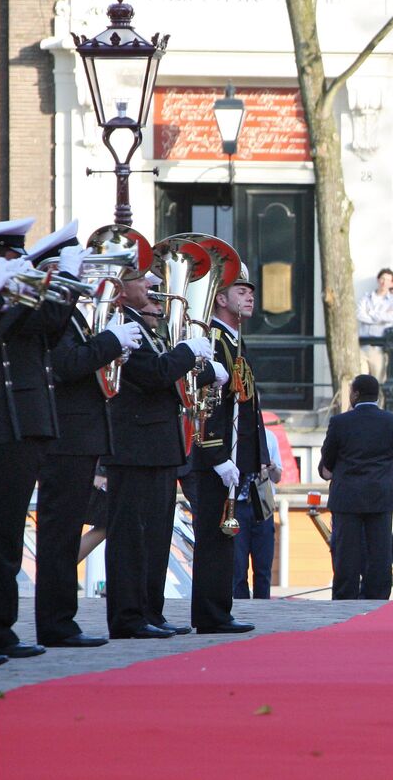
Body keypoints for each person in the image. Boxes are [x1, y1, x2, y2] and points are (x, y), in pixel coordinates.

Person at [37, 225, 146, 649]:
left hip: (81, 437)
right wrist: (109, 342)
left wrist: (111, 345)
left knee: (63, 535)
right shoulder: (58, 317)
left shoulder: (71, 314)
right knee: (59, 534)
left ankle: (61, 621)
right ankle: (56, 623)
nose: (87, 275)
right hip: (66, 437)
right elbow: (68, 366)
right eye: (76, 268)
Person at [104, 262, 218, 639]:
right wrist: (186, 352)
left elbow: (171, 383)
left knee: (154, 537)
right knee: (132, 538)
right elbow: (152, 374)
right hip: (135, 447)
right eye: (143, 281)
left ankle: (150, 611)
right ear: (122, 289)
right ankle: (128, 616)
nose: (154, 288)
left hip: (158, 446)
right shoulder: (122, 324)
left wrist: (200, 369)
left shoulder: (149, 327)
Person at [0, 218, 89, 660]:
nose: (16, 265)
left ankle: (3, 630)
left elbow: (48, 323)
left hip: (24, 425)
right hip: (5, 423)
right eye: (10, 258)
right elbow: (5, 326)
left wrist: (65, 281)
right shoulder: (3, 294)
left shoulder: (13, 290)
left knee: (9, 536)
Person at [186, 267, 267, 633]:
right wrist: (218, 457)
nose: (250, 296)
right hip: (216, 456)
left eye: (251, 291)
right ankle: (210, 614)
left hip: (236, 457)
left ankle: (219, 610)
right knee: (214, 537)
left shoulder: (233, 339)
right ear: (220, 298)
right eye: (241, 290)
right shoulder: (214, 340)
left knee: (224, 538)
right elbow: (207, 405)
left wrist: (257, 456)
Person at [319, 375, 393, 600]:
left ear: (355, 394)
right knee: (379, 552)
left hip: (347, 496)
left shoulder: (340, 422)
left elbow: (328, 459)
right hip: (380, 495)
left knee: (346, 552)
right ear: (377, 395)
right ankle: (377, 597)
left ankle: (345, 597)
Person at [234, 426, 283, 599]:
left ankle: (263, 607)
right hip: (238, 504)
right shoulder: (233, 435)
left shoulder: (268, 437)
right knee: (237, 567)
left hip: (262, 503)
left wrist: (271, 466)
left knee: (263, 566)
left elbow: (278, 477)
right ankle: (240, 609)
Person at [356, 268, 393, 379]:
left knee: (387, 379)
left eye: (389, 281)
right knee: (362, 380)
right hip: (364, 344)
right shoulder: (367, 297)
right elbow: (359, 314)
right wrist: (379, 317)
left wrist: (371, 313)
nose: (385, 283)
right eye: (382, 279)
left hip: (388, 343)